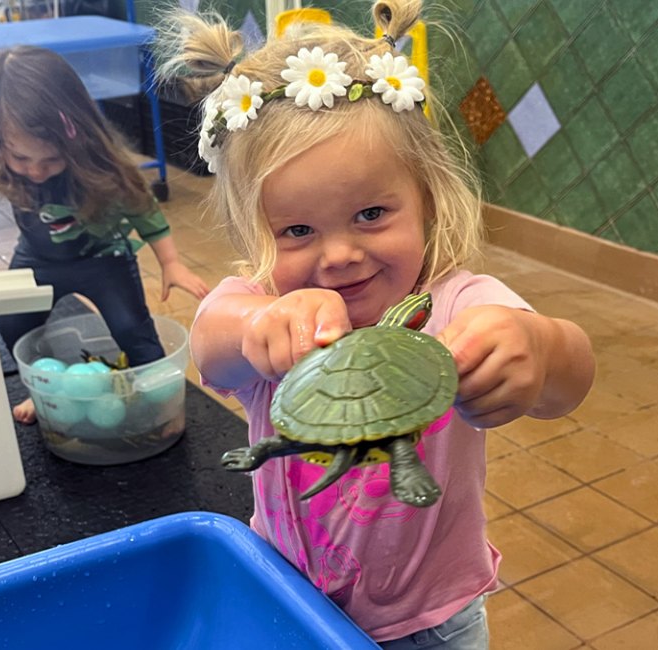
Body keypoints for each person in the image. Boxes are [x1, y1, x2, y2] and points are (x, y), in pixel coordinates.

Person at [157, 1, 595, 648]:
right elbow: (212, 348)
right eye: (298, 231)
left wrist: (538, 349)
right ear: (256, 230)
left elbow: (571, 377)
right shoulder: (262, 302)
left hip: (432, 624)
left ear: (427, 196)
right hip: (288, 595)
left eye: (370, 214)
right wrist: (258, 328)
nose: (338, 255)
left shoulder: (455, 305)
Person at [0, 46, 209, 424]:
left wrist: (171, 262)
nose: (35, 171)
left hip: (104, 257)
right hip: (37, 259)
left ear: (75, 137)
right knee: (14, 325)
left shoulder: (98, 158)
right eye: (20, 159)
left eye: (50, 160)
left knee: (132, 328)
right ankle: (44, 390)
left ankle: (160, 409)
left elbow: (141, 205)